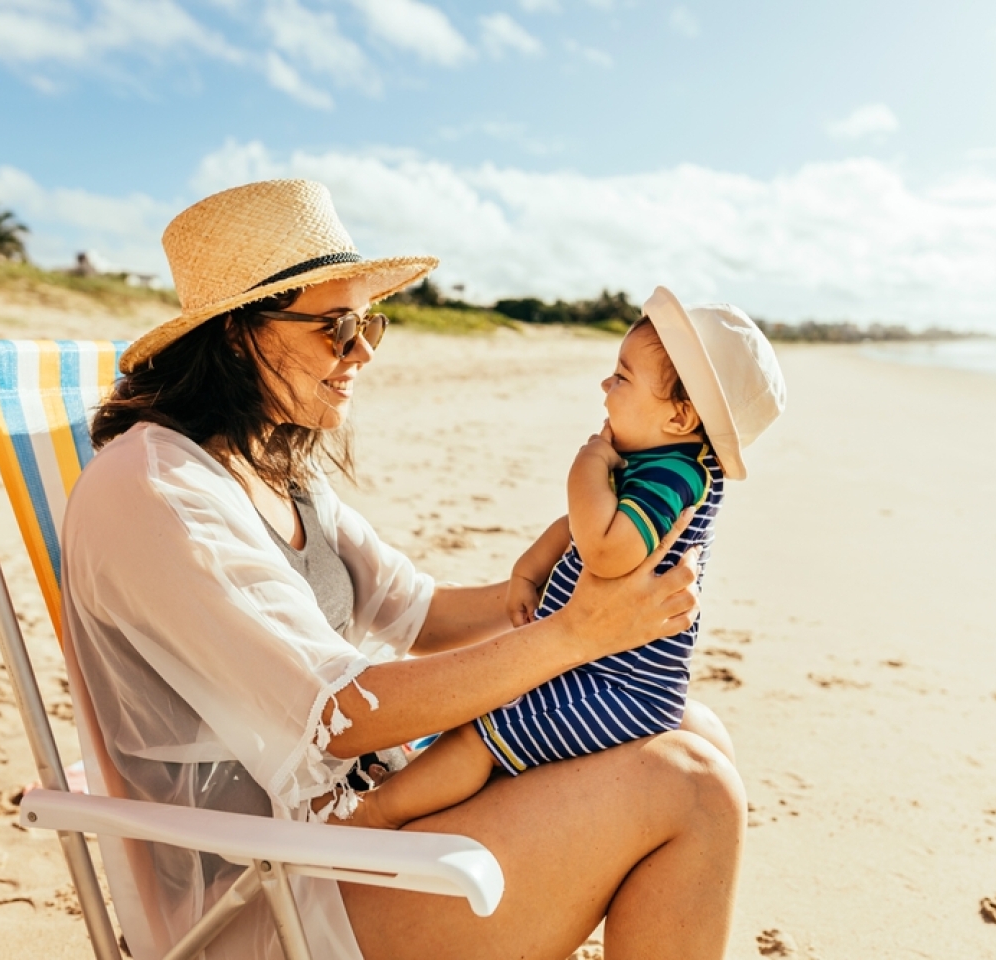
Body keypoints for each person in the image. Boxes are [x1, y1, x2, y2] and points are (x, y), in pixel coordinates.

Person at [61, 179, 748, 960]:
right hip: (263, 899)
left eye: (367, 325)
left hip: (340, 834)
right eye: (335, 328)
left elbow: (415, 613)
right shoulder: (161, 494)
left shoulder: (266, 462)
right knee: (691, 788)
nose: (362, 352)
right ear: (235, 336)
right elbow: (341, 712)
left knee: (692, 727)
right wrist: (578, 634)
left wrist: (559, 587)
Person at [351, 295, 785, 831]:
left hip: (615, 687)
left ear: (679, 415)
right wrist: (529, 573)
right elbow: (573, 530)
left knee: (481, 734)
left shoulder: (674, 478)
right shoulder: (659, 458)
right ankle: (418, 783)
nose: (606, 387)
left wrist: (585, 467)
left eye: (623, 378)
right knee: (482, 698)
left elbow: (603, 551)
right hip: (592, 666)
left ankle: (377, 812)